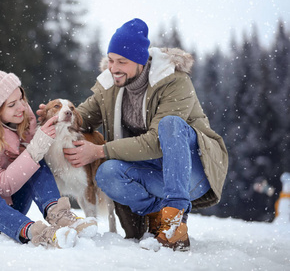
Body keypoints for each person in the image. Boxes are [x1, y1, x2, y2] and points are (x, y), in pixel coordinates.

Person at [37, 18, 228, 251]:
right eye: (110, 60)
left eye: (121, 62)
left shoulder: (175, 81)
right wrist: (54, 116)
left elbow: (156, 141)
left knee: (170, 125)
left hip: (193, 172)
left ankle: (175, 222)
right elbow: (81, 117)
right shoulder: (109, 86)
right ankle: (156, 215)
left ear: (140, 61)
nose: (113, 68)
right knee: (106, 172)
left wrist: (99, 150)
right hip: (153, 176)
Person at [0, 66, 97, 249]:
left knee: (36, 162)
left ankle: (59, 215)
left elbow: (30, 163)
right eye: (12, 104)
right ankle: (39, 234)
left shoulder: (22, 116)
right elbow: (1, 184)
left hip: (11, 206)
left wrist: (40, 131)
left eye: (21, 98)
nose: (22, 107)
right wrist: (37, 144)